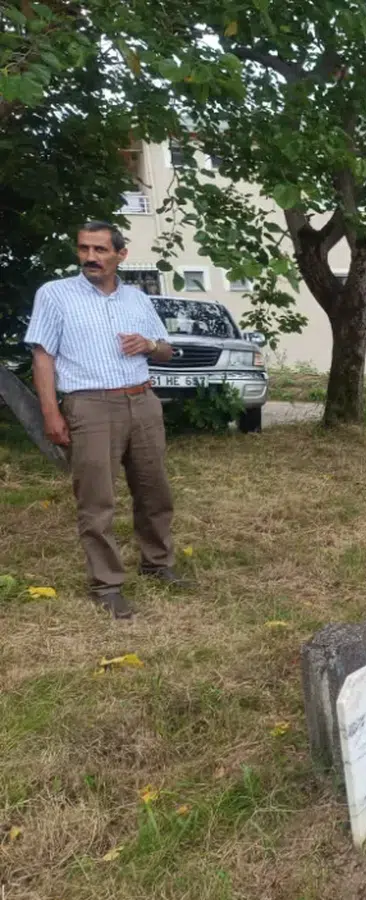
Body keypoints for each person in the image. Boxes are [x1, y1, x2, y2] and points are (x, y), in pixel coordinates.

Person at [25, 221, 186, 619]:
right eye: (84, 249)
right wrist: (50, 412)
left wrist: (148, 345)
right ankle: (107, 584)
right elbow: (42, 355)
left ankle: (157, 563)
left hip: (142, 401)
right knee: (97, 499)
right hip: (90, 405)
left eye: (100, 250)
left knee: (155, 491)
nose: (91, 258)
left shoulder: (137, 298)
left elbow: (165, 349)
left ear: (120, 255)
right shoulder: (56, 295)